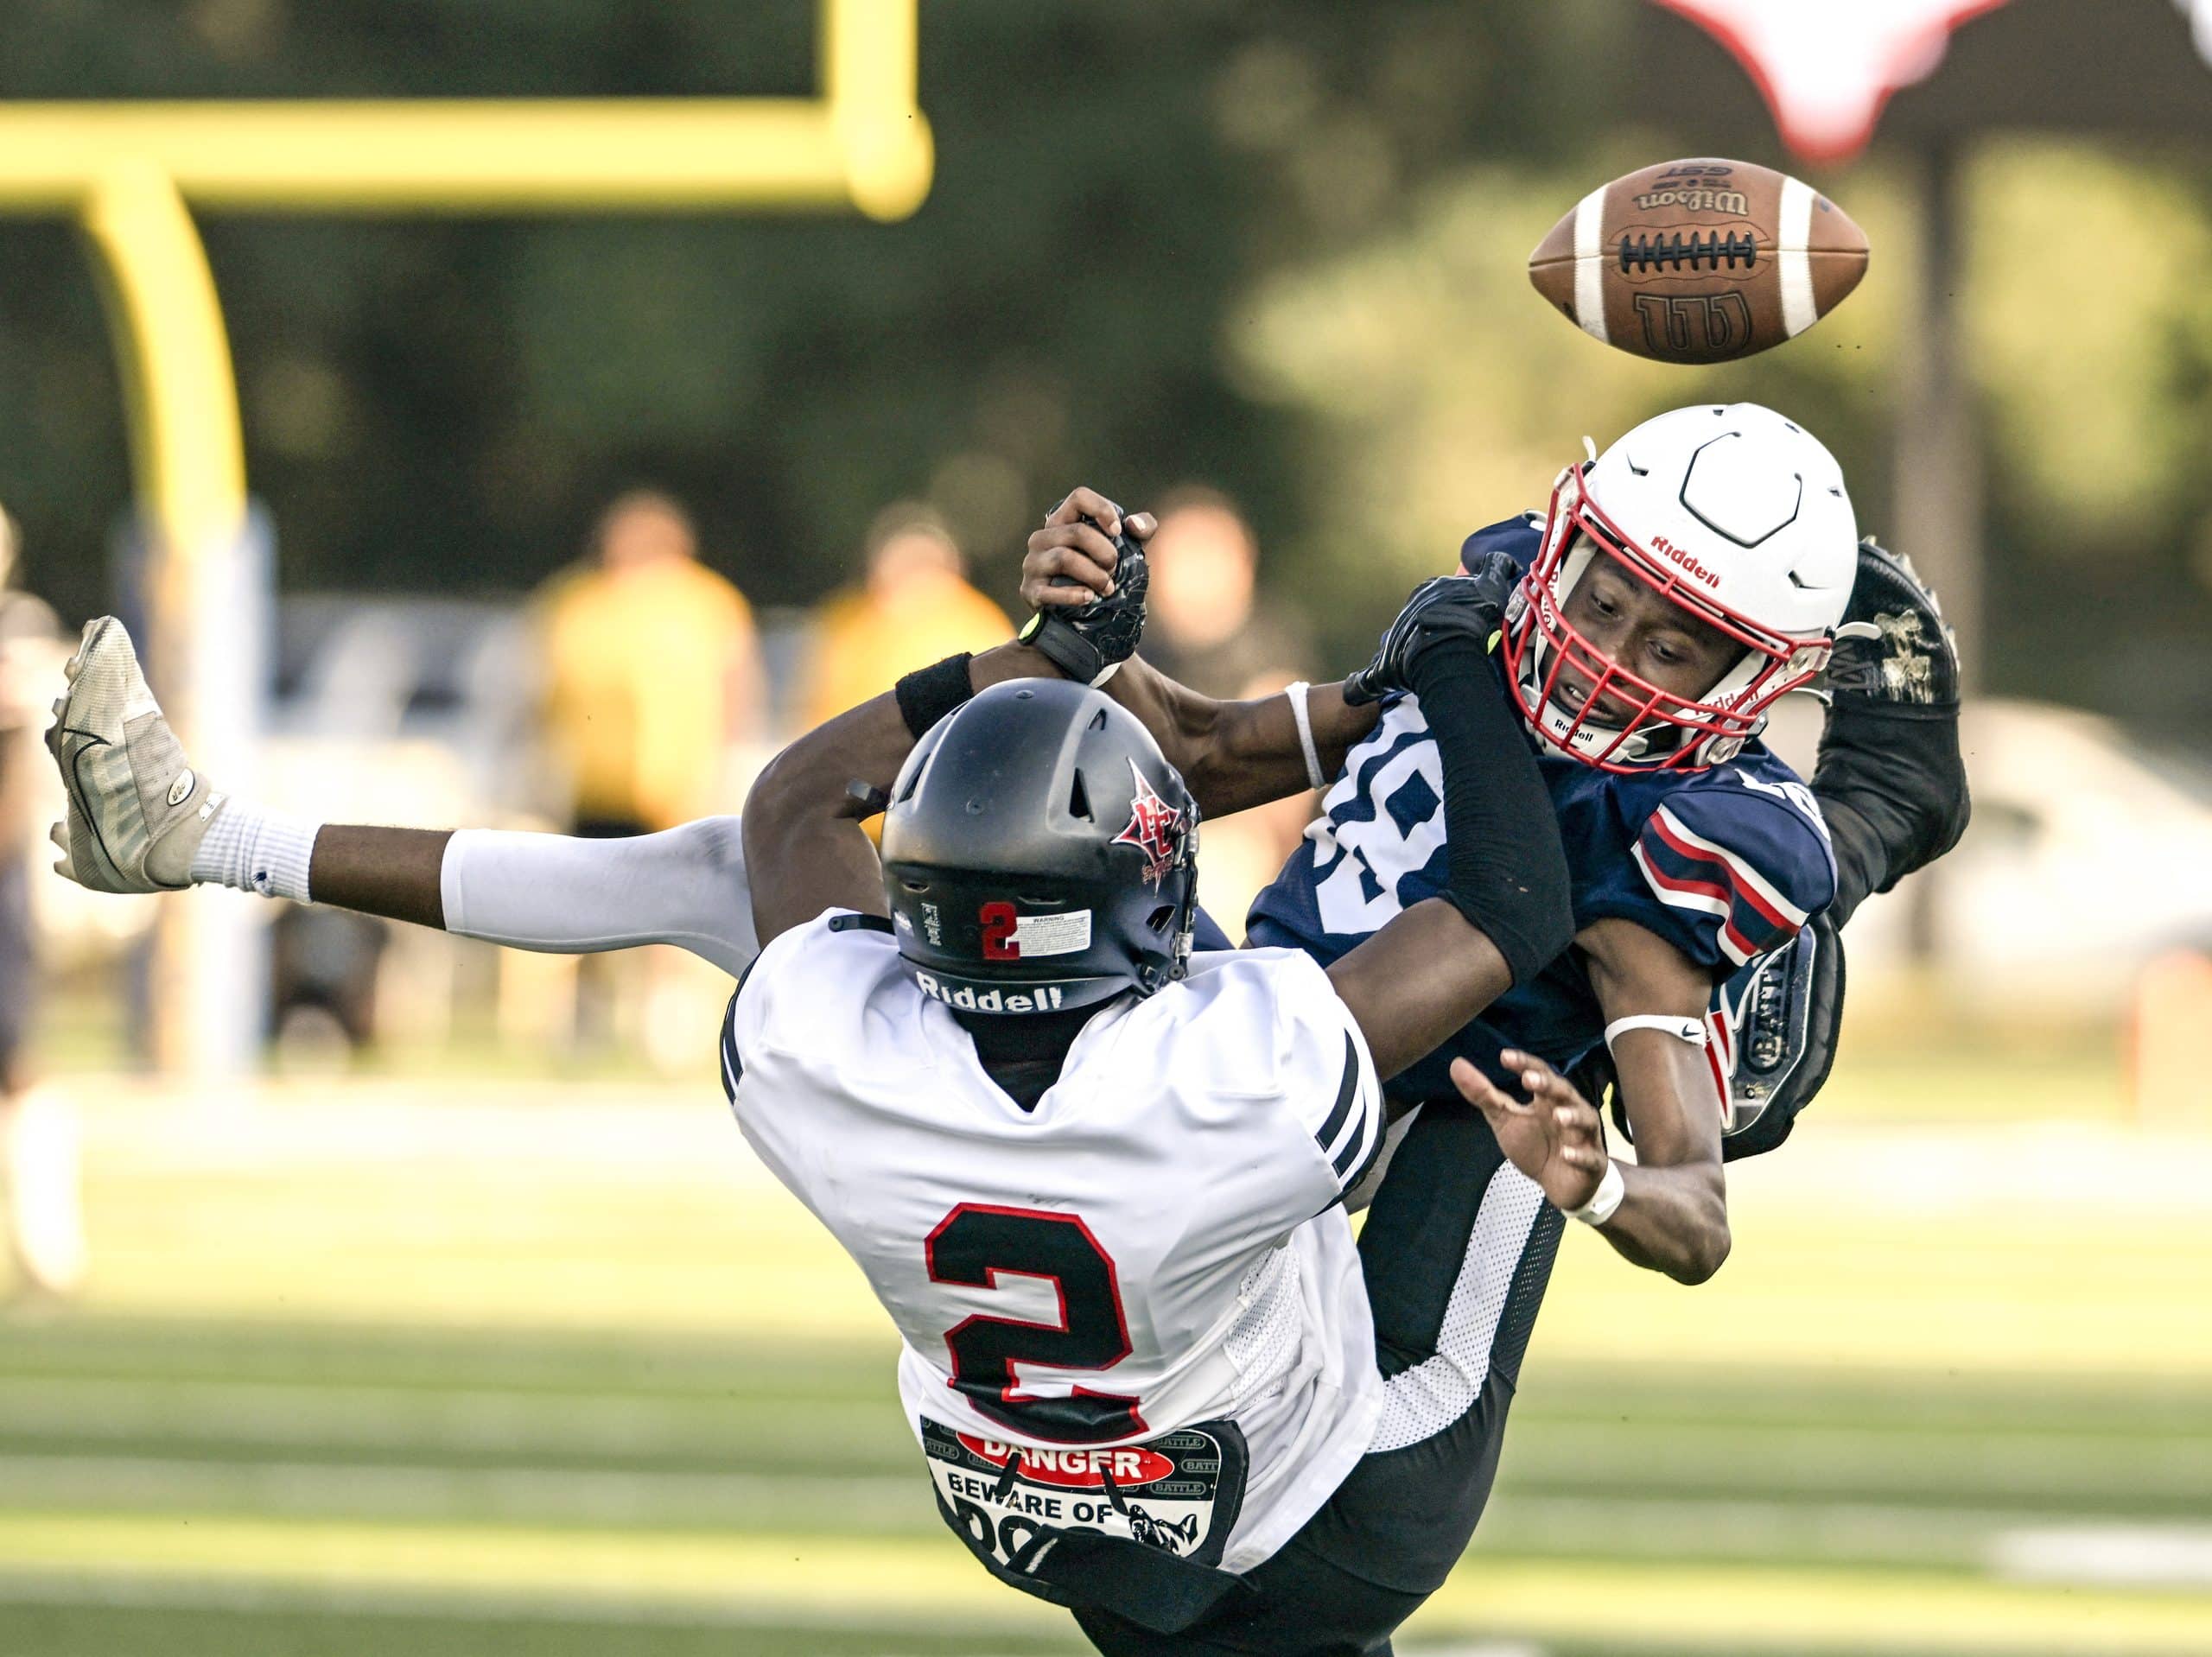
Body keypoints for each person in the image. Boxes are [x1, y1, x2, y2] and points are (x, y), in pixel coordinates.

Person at [45, 530, 1580, 1652]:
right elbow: (1508, 906)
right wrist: (1455, 657)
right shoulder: (1227, 1058)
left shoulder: (834, 1041)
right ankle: (1800, 903)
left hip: (1054, 1526)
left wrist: (1037, 662)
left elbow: (784, 807)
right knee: (1530, 1043)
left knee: (707, 870)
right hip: (1334, 1511)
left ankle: (212, 839)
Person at [534, 489, 765, 838]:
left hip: (677, 792)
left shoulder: (706, 601)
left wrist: (726, 769)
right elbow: (542, 688)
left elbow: (736, 688)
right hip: (594, 789)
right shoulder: (576, 600)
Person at [0, 506, 82, 1298]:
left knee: (17, 1059)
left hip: (1, 877)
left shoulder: (17, 628)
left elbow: (21, 761)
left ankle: (48, 1247)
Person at [797, 503, 1014, 732]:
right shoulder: (846, 619)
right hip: (855, 753)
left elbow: (1000, 701)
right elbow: (816, 705)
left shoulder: (978, 624)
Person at [1136, 488, 1312, 702]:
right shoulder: (1129, 652)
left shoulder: (1275, 645)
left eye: (1212, 553)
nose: (1201, 572)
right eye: (1188, 556)